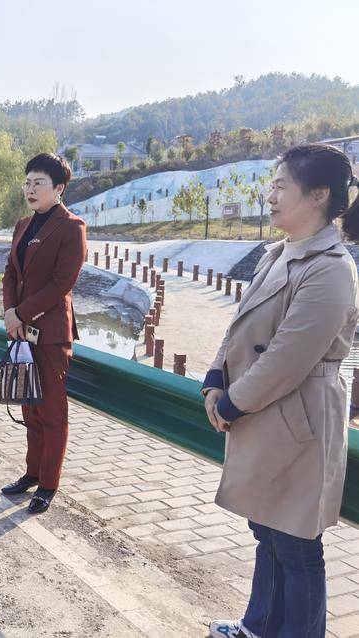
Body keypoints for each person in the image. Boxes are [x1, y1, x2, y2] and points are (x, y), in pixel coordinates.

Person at [204, 144, 359, 638]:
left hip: (301, 421)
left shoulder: (332, 267)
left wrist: (232, 403)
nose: (270, 196)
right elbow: (239, 327)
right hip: (263, 414)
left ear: (318, 195)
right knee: (266, 531)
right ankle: (258, 627)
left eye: (280, 186)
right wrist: (214, 379)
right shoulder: (278, 253)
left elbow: (288, 358)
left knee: (296, 545)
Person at [0, 152, 86, 515]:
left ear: (59, 188)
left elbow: (61, 284)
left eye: (39, 183)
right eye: (27, 183)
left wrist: (20, 313)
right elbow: (10, 273)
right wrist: (10, 314)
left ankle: (48, 484)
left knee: (51, 411)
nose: (30, 190)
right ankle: (32, 472)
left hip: (49, 335)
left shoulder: (72, 227)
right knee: (30, 408)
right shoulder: (23, 225)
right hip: (21, 332)